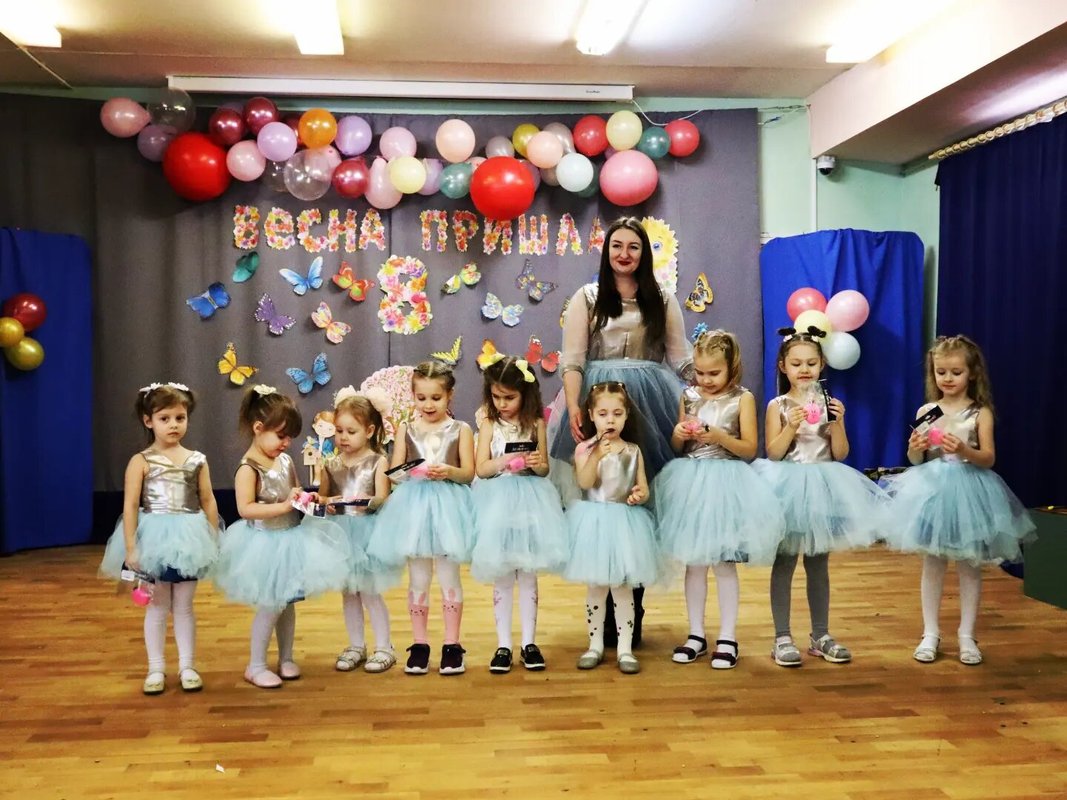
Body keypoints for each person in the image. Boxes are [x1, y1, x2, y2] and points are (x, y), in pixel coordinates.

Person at [549, 216, 692, 645]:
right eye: (617, 246)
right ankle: (605, 611)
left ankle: (634, 607)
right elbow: (573, 359)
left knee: (638, 502)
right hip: (599, 401)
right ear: (606, 251)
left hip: (649, 404)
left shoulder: (662, 297)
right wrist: (574, 404)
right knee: (601, 500)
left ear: (644, 253)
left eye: (633, 246)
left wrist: (712, 382)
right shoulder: (588, 297)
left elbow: (679, 357)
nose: (624, 254)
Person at [886, 335, 1035, 665]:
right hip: (933, 489)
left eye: (956, 372)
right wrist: (914, 447)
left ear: (972, 373)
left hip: (971, 489)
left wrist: (965, 450)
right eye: (941, 372)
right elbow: (916, 460)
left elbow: (988, 458)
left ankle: (967, 635)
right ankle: (930, 633)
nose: (948, 379)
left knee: (970, 564)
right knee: (933, 563)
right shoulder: (928, 411)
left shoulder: (979, 413)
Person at [653, 331, 784, 669]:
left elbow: (749, 449)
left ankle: (728, 636)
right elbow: (679, 447)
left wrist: (719, 437)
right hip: (691, 483)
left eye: (714, 373)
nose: (706, 379)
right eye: (700, 372)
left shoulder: (743, 398)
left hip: (727, 484)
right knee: (694, 563)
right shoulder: (688, 396)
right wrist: (678, 434)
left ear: (732, 367)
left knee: (724, 563)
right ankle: (696, 634)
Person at [754, 327, 884, 668]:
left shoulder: (829, 404)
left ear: (822, 364)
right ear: (783, 366)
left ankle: (821, 635)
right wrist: (790, 426)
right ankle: (782, 637)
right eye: (796, 363)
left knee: (818, 563)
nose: (804, 370)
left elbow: (840, 453)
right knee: (784, 562)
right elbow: (774, 453)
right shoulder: (777, 405)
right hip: (788, 487)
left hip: (824, 486)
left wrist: (838, 424)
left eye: (811, 363)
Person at [212, 385, 350, 689]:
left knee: (287, 603)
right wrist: (285, 505)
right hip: (265, 543)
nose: (286, 443)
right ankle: (255, 665)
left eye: (290, 437)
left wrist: (308, 499)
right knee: (270, 604)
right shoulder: (248, 468)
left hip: (290, 537)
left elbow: (294, 492)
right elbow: (246, 509)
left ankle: (286, 657)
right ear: (258, 428)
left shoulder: (285, 461)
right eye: (281, 436)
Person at [100, 382, 220, 695]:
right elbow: (130, 505)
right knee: (157, 606)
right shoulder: (141, 461)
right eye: (164, 418)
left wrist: (212, 536)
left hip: (190, 538)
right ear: (148, 421)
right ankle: (155, 668)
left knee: (185, 606)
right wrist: (131, 547)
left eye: (180, 417)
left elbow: (208, 500)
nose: (173, 425)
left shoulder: (197, 459)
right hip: (154, 539)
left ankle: (187, 666)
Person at [367, 362, 476, 676]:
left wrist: (449, 471)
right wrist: (412, 472)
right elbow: (396, 472)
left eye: (436, 398)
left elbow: (468, 473)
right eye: (422, 398)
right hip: (413, 509)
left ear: (449, 395)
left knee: (449, 578)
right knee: (418, 579)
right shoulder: (407, 428)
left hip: (449, 508)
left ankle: (452, 645)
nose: (428, 405)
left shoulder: (461, 429)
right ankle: (419, 644)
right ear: (412, 396)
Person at [471, 355, 567, 673]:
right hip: (497, 503)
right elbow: (482, 468)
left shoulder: (536, 423)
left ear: (525, 394)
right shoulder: (489, 424)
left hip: (530, 503)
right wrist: (504, 462)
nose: (502, 404)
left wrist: (535, 464)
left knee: (527, 575)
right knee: (502, 576)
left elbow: (544, 469)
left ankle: (529, 643)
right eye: (496, 397)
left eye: (509, 397)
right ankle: (503, 645)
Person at [562, 382, 659, 675]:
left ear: (626, 415)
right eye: (603, 414)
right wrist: (596, 455)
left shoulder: (633, 450)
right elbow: (585, 483)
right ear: (591, 415)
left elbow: (642, 487)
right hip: (594, 523)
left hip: (624, 525)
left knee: (622, 589)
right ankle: (595, 645)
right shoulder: (584, 449)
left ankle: (625, 648)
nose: (610, 420)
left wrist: (640, 494)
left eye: (617, 414)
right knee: (596, 588)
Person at [319, 387, 398, 674]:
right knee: (348, 592)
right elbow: (324, 497)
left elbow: (382, 498)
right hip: (341, 534)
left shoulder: (378, 461)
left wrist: (365, 501)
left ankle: (384, 646)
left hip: (368, 534)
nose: (343, 437)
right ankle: (356, 645)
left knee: (370, 592)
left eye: (351, 431)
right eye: (339, 431)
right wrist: (327, 502)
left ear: (369, 430)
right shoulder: (331, 464)